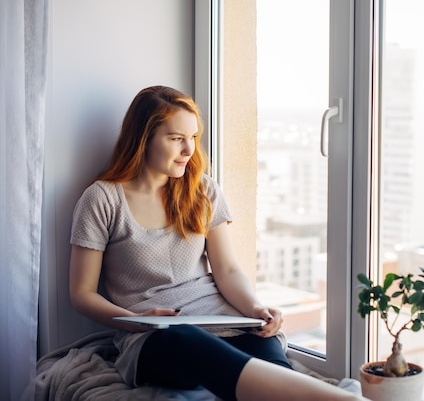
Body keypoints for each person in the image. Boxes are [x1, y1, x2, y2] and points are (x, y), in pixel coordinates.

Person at [69, 85, 367, 401]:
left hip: (223, 319)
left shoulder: (202, 190)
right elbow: (82, 294)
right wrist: (138, 322)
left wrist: (254, 308)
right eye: (176, 138)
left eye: (193, 138)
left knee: (271, 365)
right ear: (144, 139)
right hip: (154, 336)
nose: (189, 150)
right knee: (185, 341)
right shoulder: (102, 199)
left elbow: (226, 269)